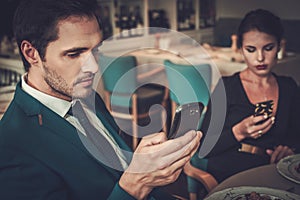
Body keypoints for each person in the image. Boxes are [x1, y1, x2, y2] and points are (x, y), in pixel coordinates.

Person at [0, 0, 202, 199]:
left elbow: (117, 170)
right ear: (31, 53)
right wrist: (135, 184)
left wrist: (144, 168)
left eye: (96, 51)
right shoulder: (10, 148)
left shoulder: (87, 96)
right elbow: (129, 184)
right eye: (74, 54)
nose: (94, 68)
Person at [188, 9, 300, 199]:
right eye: (251, 49)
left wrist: (290, 149)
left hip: (276, 174)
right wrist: (238, 132)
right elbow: (204, 147)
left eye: (268, 48)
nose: (260, 58)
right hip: (231, 173)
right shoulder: (227, 87)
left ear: (280, 46)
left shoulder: (289, 87)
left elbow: (296, 134)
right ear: (240, 49)